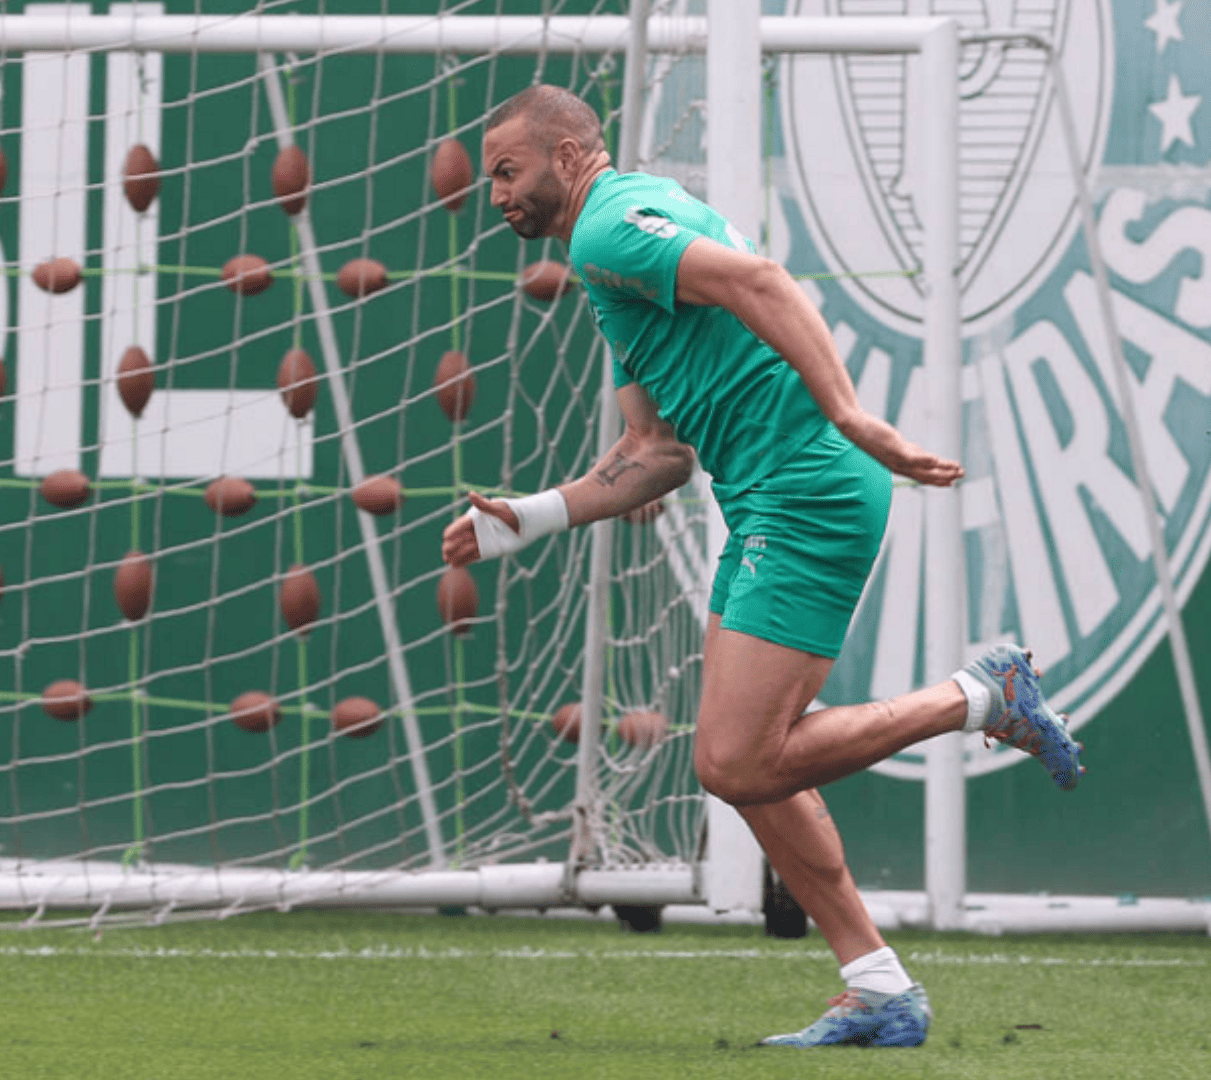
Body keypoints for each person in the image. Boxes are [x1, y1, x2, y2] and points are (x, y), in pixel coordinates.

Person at [441, 84, 1083, 1049]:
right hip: (762, 499)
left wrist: (852, 415)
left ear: (570, 157)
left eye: (508, 170)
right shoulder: (608, 255)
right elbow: (656, 455)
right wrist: (525, 520)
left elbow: (764, 281)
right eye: (490, 175)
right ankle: (877, 986)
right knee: (753, 769)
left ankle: (982, 695)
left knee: (734, 757)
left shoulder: (611, 227)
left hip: (807, 488)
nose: (495, 193)